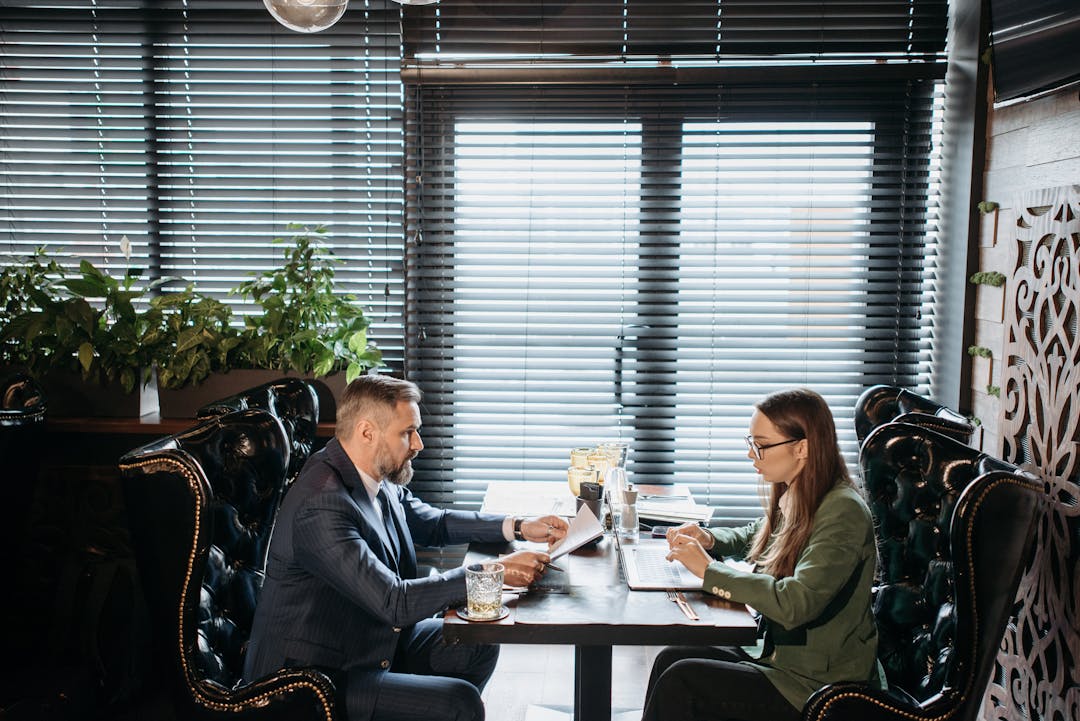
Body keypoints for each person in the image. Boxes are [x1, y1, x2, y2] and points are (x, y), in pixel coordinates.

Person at [243, 374, 569, 721]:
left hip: (366, 640)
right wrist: (491, 573)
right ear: (367, 432)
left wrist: (519, 526)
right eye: (407, 432)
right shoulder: (322, 503)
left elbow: (435, 523)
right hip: (314, 678)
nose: (418, 444)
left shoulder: (369, 474)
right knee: (460, 703)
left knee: (477, 643)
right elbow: (394, 602)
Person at [641, 388, 884, 721]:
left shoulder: (843, 511)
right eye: (751, 443)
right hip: (781, 662)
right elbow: (759, 534)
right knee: (671, 659)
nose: (751, 454)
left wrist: (710, 571)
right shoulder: (804, 492)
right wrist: (709, 538)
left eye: (761, 445)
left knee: (681, 682)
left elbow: (795, 601)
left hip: (815, 685)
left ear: (802, 448)